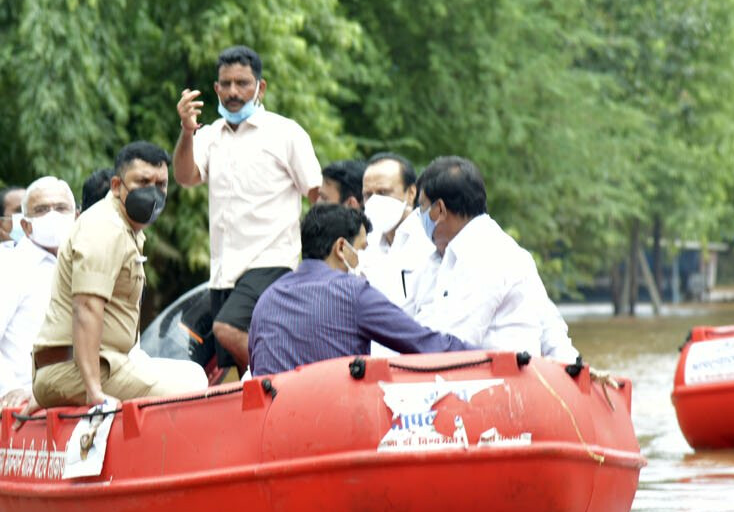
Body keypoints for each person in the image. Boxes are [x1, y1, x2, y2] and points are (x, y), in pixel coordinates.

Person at [173, 45, 322, 371]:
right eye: (225, 84)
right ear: (216, 88)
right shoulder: (210, 136)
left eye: (242, 83)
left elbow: (317, 193)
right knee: (240, 363)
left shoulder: (286, 133)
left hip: (272, 264)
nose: (233, 92)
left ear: (260, 87)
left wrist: (321, 261)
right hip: (224, 272)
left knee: (227, 329)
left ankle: (281, 383)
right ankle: (272, 398)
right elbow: (185, 177)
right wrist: (187, 131)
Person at [33, 142, 207, 409]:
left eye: (161, 184)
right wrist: (94, 393)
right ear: (116, 186)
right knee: (194, 386)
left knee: (194, 373)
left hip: (103, 365)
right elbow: (87, 308)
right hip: (77, 371)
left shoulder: (127, 229)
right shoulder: (104, 228)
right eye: (142, 181)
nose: (153, 191)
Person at [247, 204, 470, 375]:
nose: (364, 257)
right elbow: (424, 343)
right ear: (341, 247)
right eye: (362, 248)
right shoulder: (351, 293)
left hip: (270, 426)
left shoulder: (267, 298)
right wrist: (486, 354)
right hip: (333, 425)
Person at [406, 156, 579, 361]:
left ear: (440, 210)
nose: (419, 215)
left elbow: (452, 343)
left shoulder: (488, 254)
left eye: (423, 207)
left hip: (494, 383)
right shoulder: (439, 258)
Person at [0, 176, 74, 407]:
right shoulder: (6, 266)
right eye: (42, 210)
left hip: (77, 398)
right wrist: (10, 389)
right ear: (25, 224)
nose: (52, 215)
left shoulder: (86, 264)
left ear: (77, 216)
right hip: (27, 404)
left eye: (61, 208)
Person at [359, 152, 434, 308]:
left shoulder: (430, 240)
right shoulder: (364, 243)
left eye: (383, 192)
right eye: (367, 195)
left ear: (411, 193)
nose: (374, 201)